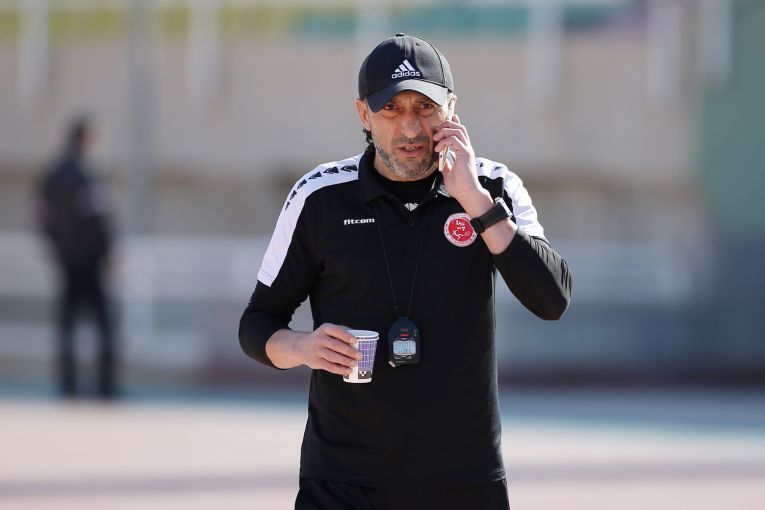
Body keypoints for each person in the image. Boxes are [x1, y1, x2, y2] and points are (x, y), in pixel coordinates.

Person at [239, 34, 572, 509]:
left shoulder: (493, 186)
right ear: (363, 114)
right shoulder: (319, 198)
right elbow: (256, 324)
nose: (411, 127)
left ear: (452, 109)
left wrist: (473, 199)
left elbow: (552, 299)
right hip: (341, 483)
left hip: (464, 480)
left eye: (426, 107)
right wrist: (304, 347)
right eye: (391, 109)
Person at [36, 115, 117, 400]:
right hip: (90, 261)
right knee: (104, 324)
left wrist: (55, 246)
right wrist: (108, 252)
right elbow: (98, 219)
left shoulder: (53, 175)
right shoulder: (87, 174)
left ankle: (68, 385)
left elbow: (41, 216)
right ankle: (105, 386)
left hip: (66, 260)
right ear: (85, 139)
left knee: (66, 325)